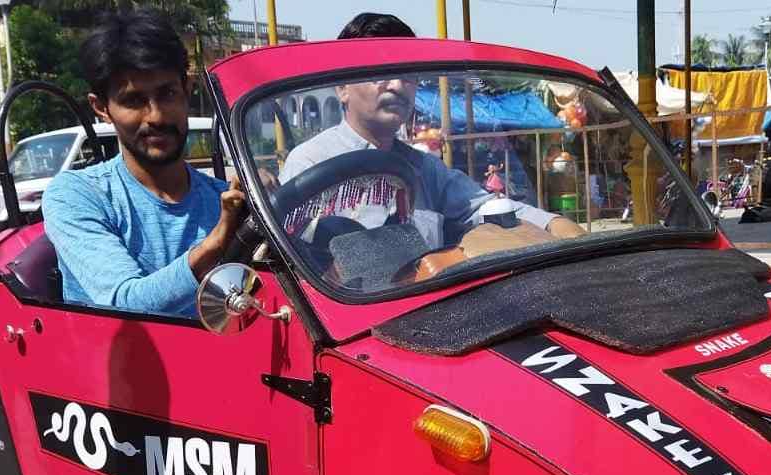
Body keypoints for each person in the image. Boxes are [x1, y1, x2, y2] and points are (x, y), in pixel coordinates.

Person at [278, 12, 583, 246]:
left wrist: (552, 224)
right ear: (342, 86)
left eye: (408, 75)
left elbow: (483, 206)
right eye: (380, 72)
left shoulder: (424, 169)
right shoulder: (309, 165)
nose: (398, 86)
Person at [42, 9, 246, 317]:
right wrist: (215, 245)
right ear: (102, 108)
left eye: (167, 94)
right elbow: (124, 305)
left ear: (187, 90)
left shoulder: (227, 203)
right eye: (134, 100)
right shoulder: (78, 195)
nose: (156, 116)